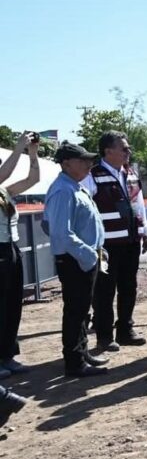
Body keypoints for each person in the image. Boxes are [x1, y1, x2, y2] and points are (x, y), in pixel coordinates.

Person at [42, 143, 111, 377]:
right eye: (82, 160)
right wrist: (89, 255)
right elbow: (61, 232)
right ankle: (74, 362)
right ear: (66, 164)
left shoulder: (74, 187)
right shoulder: (63, 190)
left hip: (83, 258)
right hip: (76, 260)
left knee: (82, 310)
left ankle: (81, 354)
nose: (88, 164)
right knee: (75, 310)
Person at [81, 131, 147, 352]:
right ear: (108, 151)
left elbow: (139, 206)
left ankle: (125, 330)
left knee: (129, 287)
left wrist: (146, 232)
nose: (128, 151)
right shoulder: (92, 175)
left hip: (130, 242)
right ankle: (104, 335)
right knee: (104, 290)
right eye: (124, 148)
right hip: (106, 246)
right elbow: (84, 209)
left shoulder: (130, 174)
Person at [0, 132, 41, 378]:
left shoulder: (3, 192)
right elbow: (4, 173)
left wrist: (32, 153)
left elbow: (32, 179)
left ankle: (7, 354)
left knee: (12, 303)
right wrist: (18, 147)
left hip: (10, 247)